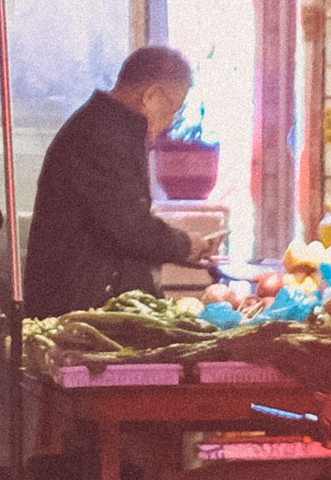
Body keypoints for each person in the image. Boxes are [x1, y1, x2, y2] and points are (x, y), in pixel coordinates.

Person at [21, 44, 203, 319]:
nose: (169, 123)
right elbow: (129, 227)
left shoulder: (109, 128)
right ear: (152, 95)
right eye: (173, 109)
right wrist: (185, 245)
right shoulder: (100, 136)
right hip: (79, 310)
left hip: (92, 303)